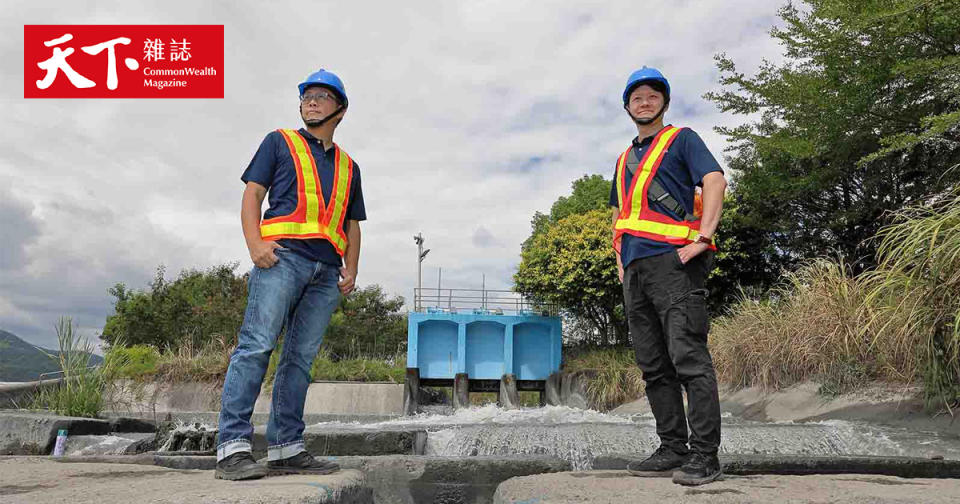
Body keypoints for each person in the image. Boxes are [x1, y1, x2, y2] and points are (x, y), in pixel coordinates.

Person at [215, 69, 366, 480]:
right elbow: (253, 194)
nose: (311, 101)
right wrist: (254, 244)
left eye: (321, 96)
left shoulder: (351, 167)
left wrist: (351, 267)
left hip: (326, 273)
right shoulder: (279, 141)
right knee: (256, 346)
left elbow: (353, 224)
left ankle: (286, 448)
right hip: (281, 259)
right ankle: (232, 447)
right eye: (306, 96)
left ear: (341, 109)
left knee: (299, 360)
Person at [610, 66, 727, 486]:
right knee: (654, 366)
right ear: (627, 106)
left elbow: (714, 180)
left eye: (653, 95)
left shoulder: (683, 140)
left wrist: (703, 236)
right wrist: (621, 261)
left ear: (664, 102)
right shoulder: (624, 159)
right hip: (636, 271)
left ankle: (705, 456)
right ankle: (672, 448)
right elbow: (619, 214)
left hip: (675, 264)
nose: (645, 101)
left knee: (689, 359)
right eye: (637, 96)